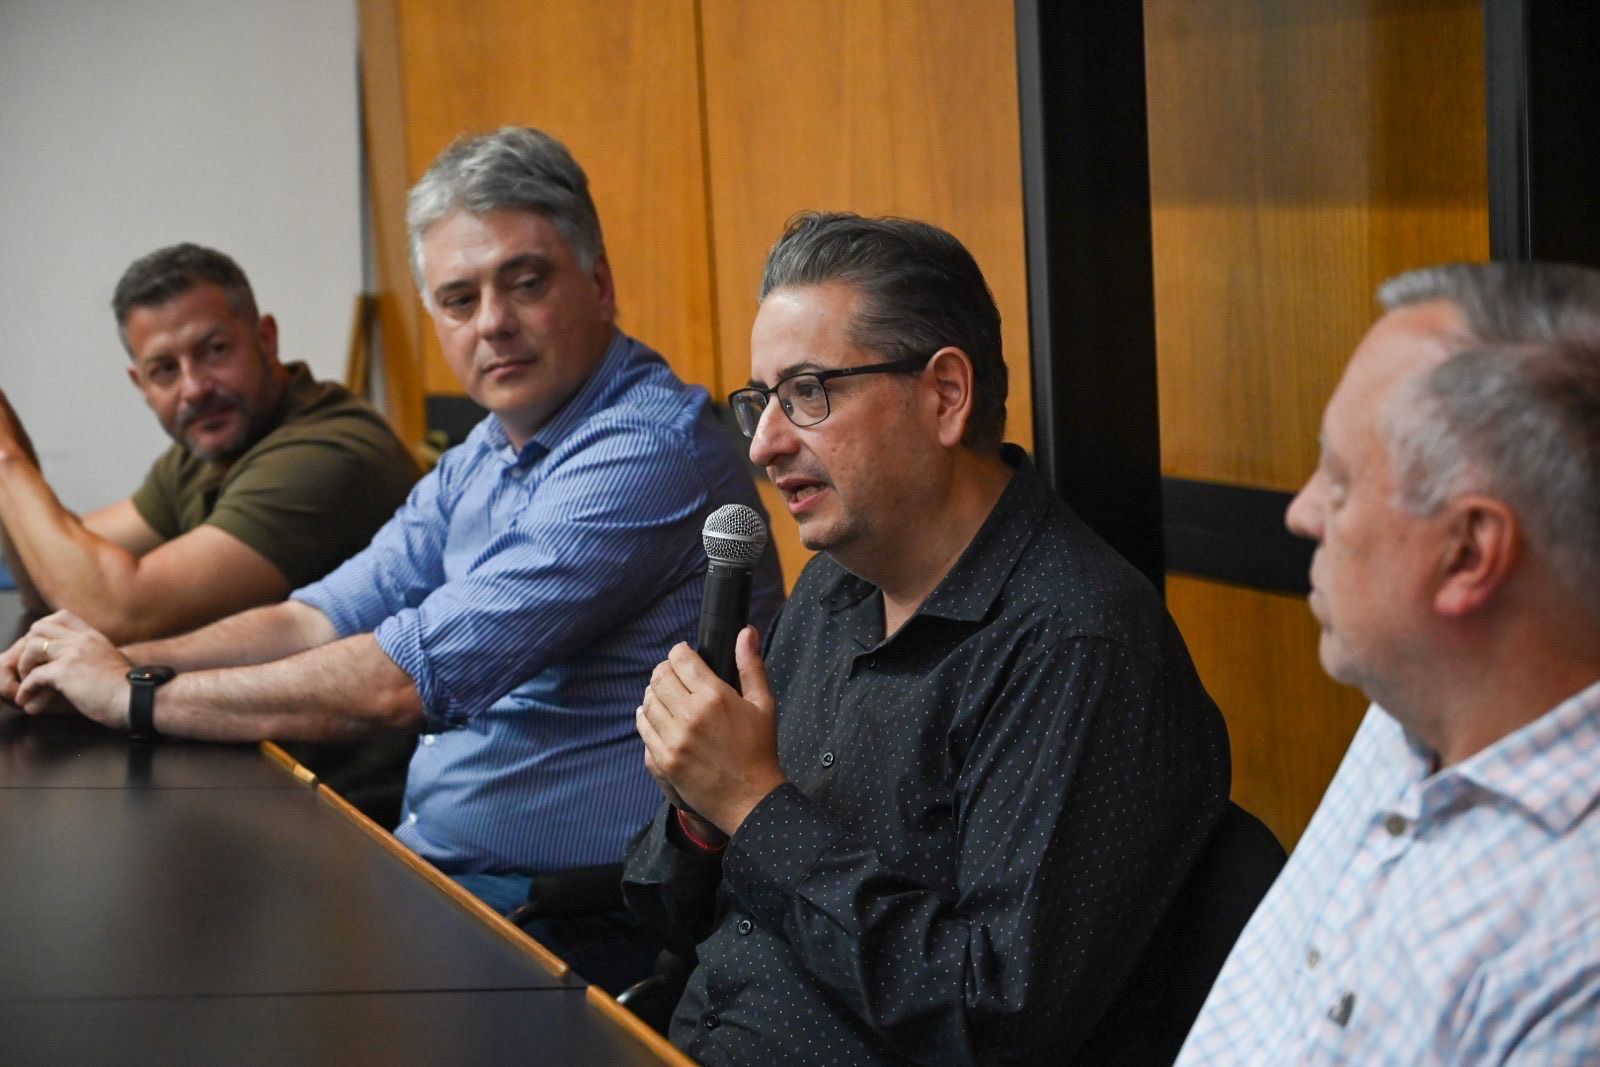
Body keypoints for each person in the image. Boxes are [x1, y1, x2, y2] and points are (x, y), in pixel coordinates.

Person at [2, 127, 784, 944]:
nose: (493, 323)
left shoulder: (647, 450)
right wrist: (117, 665)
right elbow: (314, 617)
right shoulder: (486, 451)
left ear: (599, 283)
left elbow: (403, 680)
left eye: (526, 283)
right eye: (459, 299)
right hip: (440, 868)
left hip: (573, 913)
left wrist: (135, 695)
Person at [623, 212, 1230, 1064]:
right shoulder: (834, 585)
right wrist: (701, 810)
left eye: (807, 393)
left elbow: (994, 1019)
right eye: (760, 401)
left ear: (945, 394)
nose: (763, 444)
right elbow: (666, 911)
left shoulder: (1078, 644)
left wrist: (754, 806)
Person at [1177, 263, 1600, 1063]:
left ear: (1467, 553)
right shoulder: (1411, 710)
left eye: (1339, 481)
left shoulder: (1579, 950)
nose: (1301, 511)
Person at [0, 243, 419, 644]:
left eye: (215, 350)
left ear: (266, 339)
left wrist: (7, 460)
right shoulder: (205, 449)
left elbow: (117, 610)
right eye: (165, 369)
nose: (194, 388)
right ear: (140, 383)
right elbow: (50, 577)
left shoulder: (325, 456)